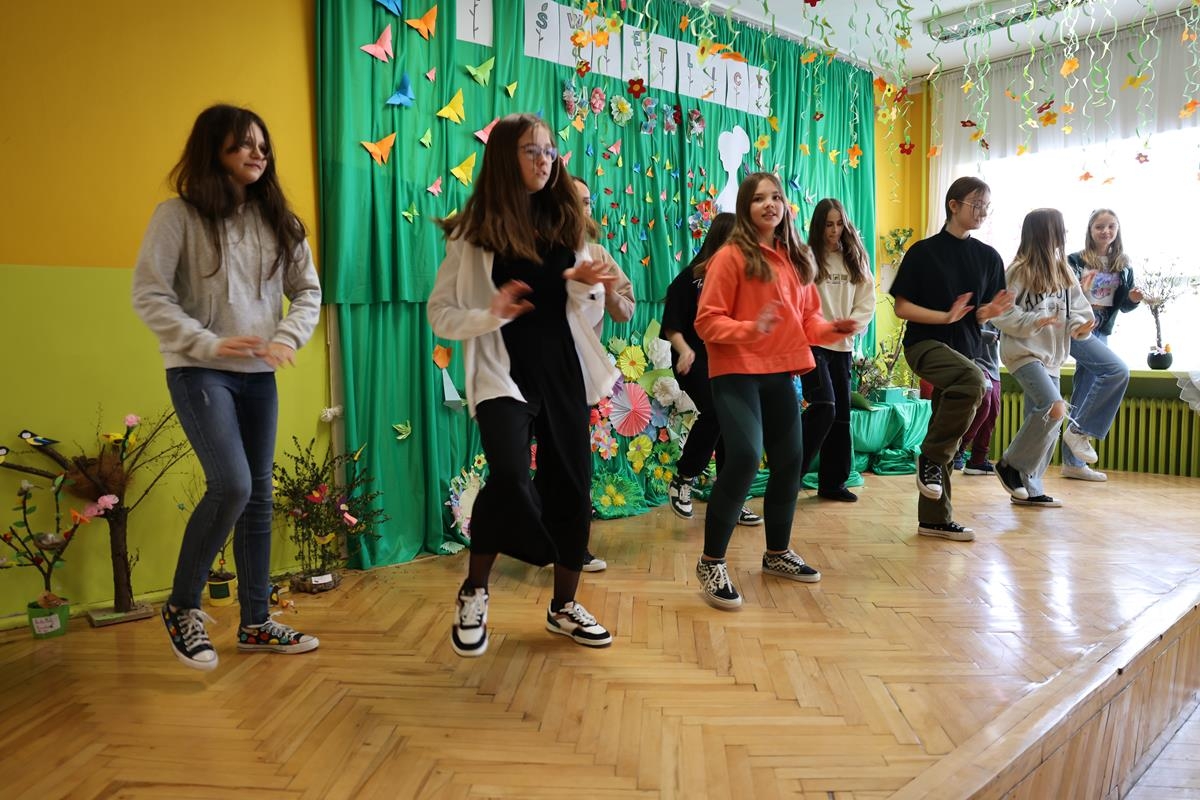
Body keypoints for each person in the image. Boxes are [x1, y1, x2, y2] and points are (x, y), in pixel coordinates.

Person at [132, 105, 323, 671]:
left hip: (259, 376)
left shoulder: (281, 222)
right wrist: (207, 344)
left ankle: (257, 622)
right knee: (233, 485)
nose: (257, 154)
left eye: (262, 145)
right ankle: (182, 605)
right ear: (213, 151)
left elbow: (307, 292)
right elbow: (150, 294)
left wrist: (286, 337)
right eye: (242, 144)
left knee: (259, 497)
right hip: (200, 370)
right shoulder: (177, 216)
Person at [427, 113, 619, 657]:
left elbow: (587, 311)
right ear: (504, 158)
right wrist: (490, 313)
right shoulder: (472, 232)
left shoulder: (566, 223)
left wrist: (583, 287)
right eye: (532, 151)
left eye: (550, 151)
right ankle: (475, 590)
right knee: (510, 476)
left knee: (573, 488)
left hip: (562, 372)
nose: (544, 160)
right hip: (501, 373)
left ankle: (563, 607)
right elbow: (440, 313)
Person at [692, 173, 857, 610]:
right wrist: (751, 328)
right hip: (735, 372)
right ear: (746, 208)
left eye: (776, 197)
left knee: (790, 461)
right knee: (745, 457)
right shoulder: (730, 257)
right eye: (759, 198)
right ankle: (711, 562)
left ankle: (777, 553)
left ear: (785, 206)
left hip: (780, 372)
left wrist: (832, 329)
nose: (770, 204)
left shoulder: (796, 258)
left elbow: (808, 319)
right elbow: (706, 321)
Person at [889, 176, 1012, 542]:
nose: (982, 212)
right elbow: (901, 307)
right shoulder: (923, 252)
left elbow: (980, 315)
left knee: (945, 428)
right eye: (976, 204)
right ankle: (928, 459)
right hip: (925, 345)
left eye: (986, 206)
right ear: (953, 205)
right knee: (976, 383)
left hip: (965, 351)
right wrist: (944, 317)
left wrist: (988, 312)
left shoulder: (988, 257)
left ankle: (934, 519)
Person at [660, 213, 763, 526]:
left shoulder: (741, 281)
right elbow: (672, 325)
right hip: (693, 360)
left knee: (733, 424)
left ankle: (730, 497)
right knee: (718, 410)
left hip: (729, 361)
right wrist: (684, 349)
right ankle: (684, 477)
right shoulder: (690, 278)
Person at [991, 209, 1096, 507]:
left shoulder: (1064, 271)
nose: (1063, 234)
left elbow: (1078, 310)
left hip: (1053, 356)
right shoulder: (1018, 270)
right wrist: (1033, 322)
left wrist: (1080, 327)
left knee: (1046, 422)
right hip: (1023, 353)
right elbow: (1002, 313)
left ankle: (1030, 488)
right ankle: (1009, 465)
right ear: (1043, 233)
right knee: (1054, 407)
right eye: (1058, 229)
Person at [572, 174, 633, 572]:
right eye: (573, 200)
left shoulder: (598, 255)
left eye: (587, 201)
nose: (582, 208)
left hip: (580, 378)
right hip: (537, 376)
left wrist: (608, 289)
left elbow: (625, 311)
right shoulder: (536, 252)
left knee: (577, 463)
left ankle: (574, 547)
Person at [801, 199, 876, 502]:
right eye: (828, 225)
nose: (834, 231)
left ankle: (832, 484)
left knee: (841, 417)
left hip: (842, 347)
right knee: (825, 406)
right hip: (813, 344)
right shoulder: (807, 258)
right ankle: (790, 472)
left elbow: (866, 302)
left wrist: (850, 326)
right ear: (819, 227)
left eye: (839, 224)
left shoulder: (855, 259)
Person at [1061, 208, 1142, 481]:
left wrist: (1133, 299)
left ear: (1117, 230)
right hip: (1078, 325)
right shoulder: (1076, 260)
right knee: (1113, 373)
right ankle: (1078, 433)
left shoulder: (1123, 264)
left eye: (1111, 226)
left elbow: (1124, 305)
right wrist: (1083, 290)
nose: (1105, 231)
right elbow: (1066, 295)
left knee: (1086, 388)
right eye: (1099, 227)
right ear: (1090, 230)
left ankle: (1072, 464)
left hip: (1102, 326)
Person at [954, 322, 1001, 475]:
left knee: (993, 411)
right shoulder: (970, 309)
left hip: (993, 366)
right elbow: (958, 329)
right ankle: (958, 448)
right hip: (972, 362)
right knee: (984, 401)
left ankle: (978, 460)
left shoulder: (1002, 313)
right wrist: (982, 334)